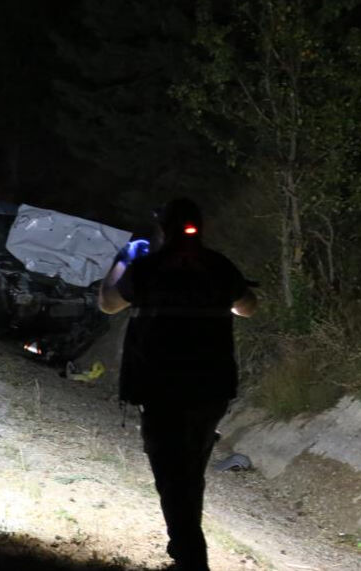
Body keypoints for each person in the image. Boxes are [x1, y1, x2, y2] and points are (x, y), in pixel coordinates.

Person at [98, 198, 257, 571]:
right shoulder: (219, 265)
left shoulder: (147, 267)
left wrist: (121, 261)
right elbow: (248, 307)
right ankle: (186, 551)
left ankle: (190, 558)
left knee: (170, 472)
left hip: (161, 384)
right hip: (211, 386)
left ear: (164, 228)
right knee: (189, 472)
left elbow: (108, 303)